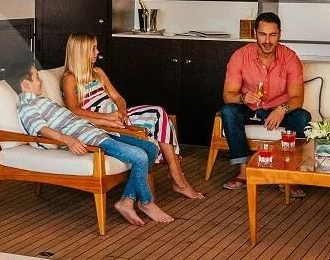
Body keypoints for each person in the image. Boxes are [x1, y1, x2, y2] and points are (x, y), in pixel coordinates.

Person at [14, 65, 173, 226]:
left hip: (96, 132)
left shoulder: (42, 100)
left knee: (151, 148)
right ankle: (146, 202)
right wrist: (68, 140)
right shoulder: (27, 107)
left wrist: (106, 122)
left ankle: (127, 200)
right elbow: (42, 129)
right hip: (87, 139)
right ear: (26, 84)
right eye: (36, 78)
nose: (40, 81)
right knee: (139, 156)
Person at [59, 34, 203, 200]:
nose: (97, 52)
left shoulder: (98, 72)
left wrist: (121, 112)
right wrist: (106, 118)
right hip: (103, 123)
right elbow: (74, 110)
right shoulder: (70, 78)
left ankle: (174, 175)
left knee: (161, 116)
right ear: (81, 52)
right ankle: (177, 175)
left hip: (119, 117)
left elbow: (119, 98)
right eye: (93, 48)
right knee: (159, 117)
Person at [220, 11, 312, 191]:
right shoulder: (240, 56)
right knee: (228, 111)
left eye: (272, 35)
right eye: (262, 34)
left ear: (280, 34)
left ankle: (288, 176)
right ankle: (243, 172)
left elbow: (297, 98)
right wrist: (242, 97)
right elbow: (228, 95)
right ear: (255, 33)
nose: (267, 40)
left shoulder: (290, 57)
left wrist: (281, 109)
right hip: (249, 108)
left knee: (302, 117)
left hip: (278, 111)